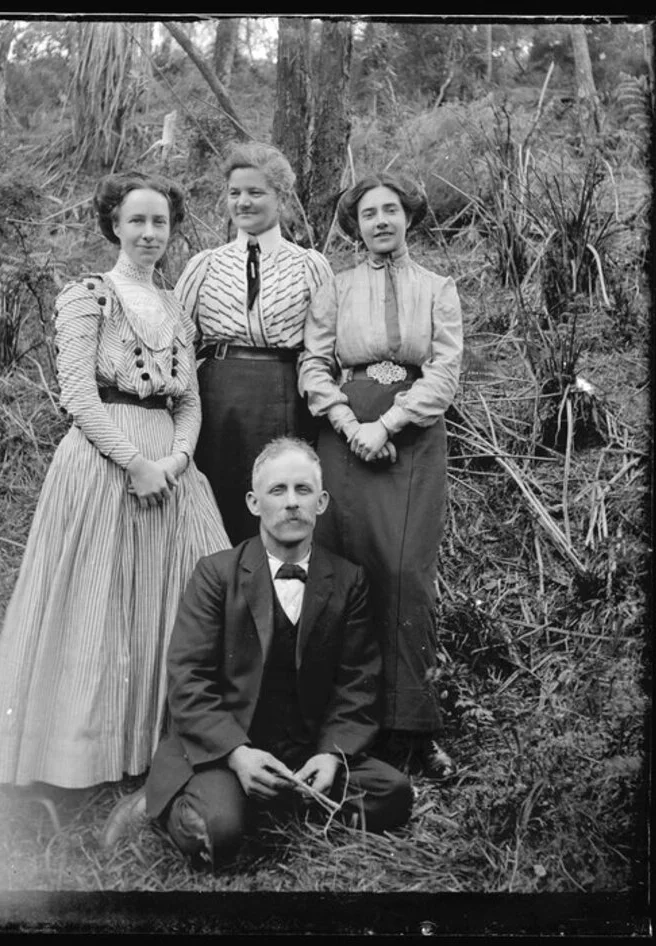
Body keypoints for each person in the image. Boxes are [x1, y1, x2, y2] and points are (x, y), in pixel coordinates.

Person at [0, 170, 230, 790]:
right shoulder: (90, 295)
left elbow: (188, 401)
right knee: (99, 601)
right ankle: (81, 759)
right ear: (113, 223)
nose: (148, 232)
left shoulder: (173, 307)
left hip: (170, 465)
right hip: (104, 460)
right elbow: (79, 395)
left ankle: (161, 751)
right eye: (136, 220)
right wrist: (135, 463)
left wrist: (177, 462)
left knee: (176, 596)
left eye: (159, 221)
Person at [101, 438, 412, 867]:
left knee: (393, 795)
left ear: (321, 502)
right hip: (226, 750)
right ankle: (173, 801)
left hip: (306, 750)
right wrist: (237, 753)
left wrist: (330, 754)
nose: (291, 504)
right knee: (221, 837)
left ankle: (277, 800)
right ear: (253, 502)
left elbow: (358, 682)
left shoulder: (348, 580)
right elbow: (188, 678)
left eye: (303, 491)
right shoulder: (216, 573)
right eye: (277, 491)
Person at [298, 172, 463, 779]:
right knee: (345, 573)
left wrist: (387, 425)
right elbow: (314, 364)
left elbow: (443, 373)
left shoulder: (438, 289)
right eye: (369, 214)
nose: (381, 222)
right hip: (343, 440)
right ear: (356, 226)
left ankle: (413, 731)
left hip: (413, 438)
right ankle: (342, 730)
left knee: (406, 575)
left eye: (391, 211)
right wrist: (347, 422)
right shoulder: (335, 290)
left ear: (408, 218)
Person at [174, 142, 335, 545]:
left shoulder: (309, 265)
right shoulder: (205, 265)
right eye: (235, 193)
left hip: (285, 399)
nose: (243, 202)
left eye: (256, 192)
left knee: (280, 500)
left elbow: (326, 348)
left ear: (280, 197)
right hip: (219, 401)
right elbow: (176, 343)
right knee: (221, 503)